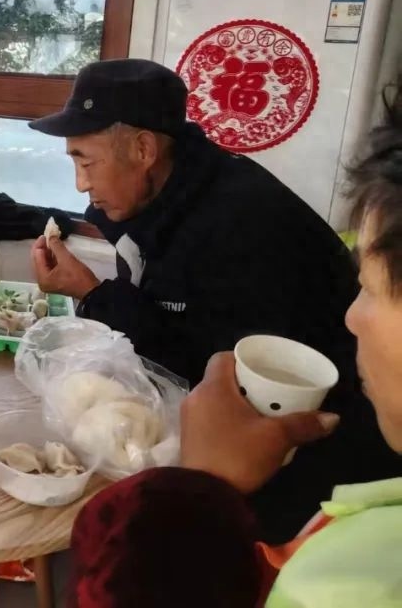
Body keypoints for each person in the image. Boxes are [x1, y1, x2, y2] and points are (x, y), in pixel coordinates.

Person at [28, 58, 399, 540]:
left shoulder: (243, 224)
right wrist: (96, 291)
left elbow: (205, 371)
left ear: (143, 149)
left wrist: (92, 293)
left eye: (86, 161)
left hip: (324, 458)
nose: (80, 183)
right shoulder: (165, 193)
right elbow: (163, 318)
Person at [67, 114, 402, 607]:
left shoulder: (353, 587)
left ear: (143, 151)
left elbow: (193, 351)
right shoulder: (171, 201)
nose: (351, 318)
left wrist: (203, 491)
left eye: (369, 288)